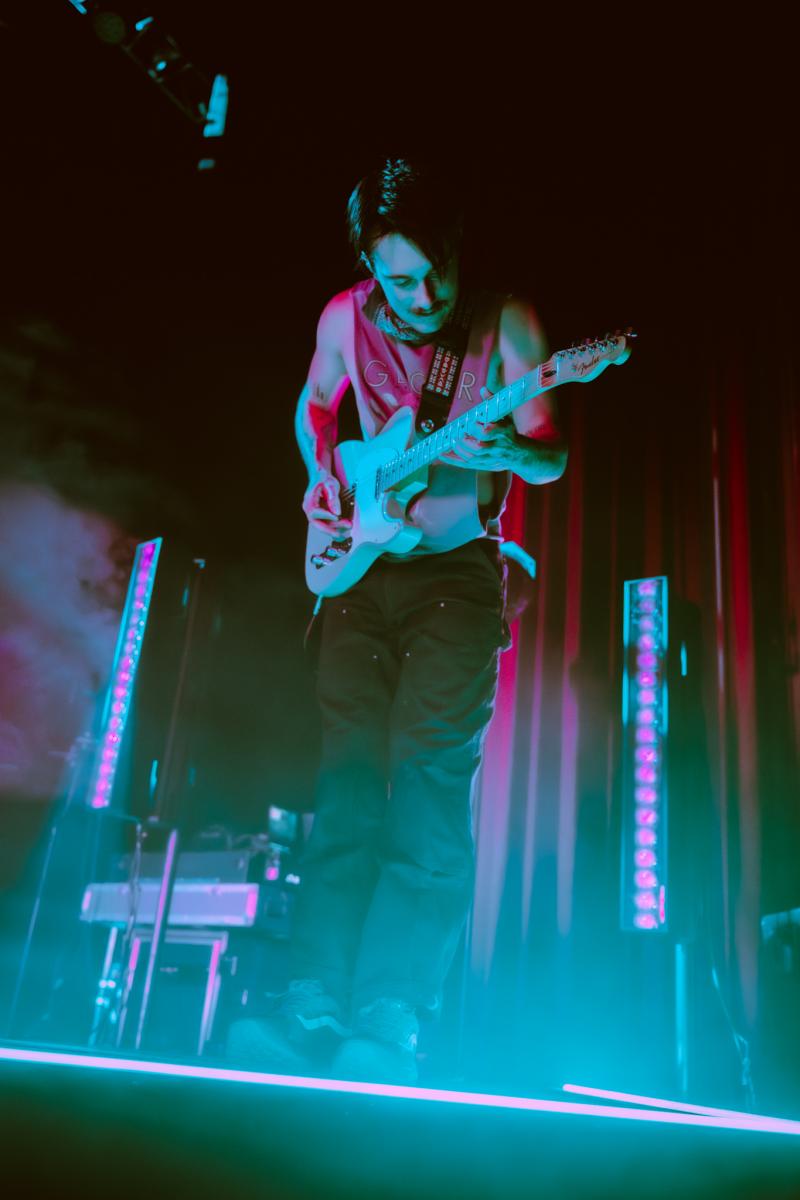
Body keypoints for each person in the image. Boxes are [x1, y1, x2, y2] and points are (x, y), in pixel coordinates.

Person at [228, 159, 567, 1085]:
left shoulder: (504, 323)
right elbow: (315, 406)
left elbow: (551, 455)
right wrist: (322, 474)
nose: (423, 296)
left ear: (456, 248)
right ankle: (314, 1002)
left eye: (436, 272)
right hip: (359, 573)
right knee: (346, 787)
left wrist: (513, 448)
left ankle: (390, 1013)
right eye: (401, 279)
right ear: (371, 269)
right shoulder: (343, 319)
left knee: (428, 787)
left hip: (458, 577)